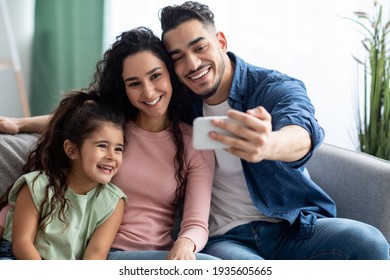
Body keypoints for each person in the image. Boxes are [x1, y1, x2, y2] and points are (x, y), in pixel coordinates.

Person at [158, 1, 389, 259]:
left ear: (221, 41)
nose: (191, 64)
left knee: (369, 243)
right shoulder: (177, 102)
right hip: (228, 237)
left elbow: (302, 130)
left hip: (293, 227)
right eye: (178, 57)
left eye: (200, 47)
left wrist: (269, 144)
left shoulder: (272, 87)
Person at [0, 27, 217, 260]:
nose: (149, 91)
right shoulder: (114, 129)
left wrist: (185, 244)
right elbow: (72, 120)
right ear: (123, 87)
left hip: (158, 253)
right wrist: (20, 124)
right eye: (134, 83)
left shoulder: (194, 143)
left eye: (155, 76)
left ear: (170, 74)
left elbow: (196, 223)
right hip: (102, 252)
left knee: (212, 267)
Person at [0, 90, 127, 260]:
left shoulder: (114, 202)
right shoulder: (36, 184)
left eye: (118, 149)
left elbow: (96, 254)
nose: (112, 155)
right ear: (72, 150)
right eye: (102, 146)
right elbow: (22, 243)